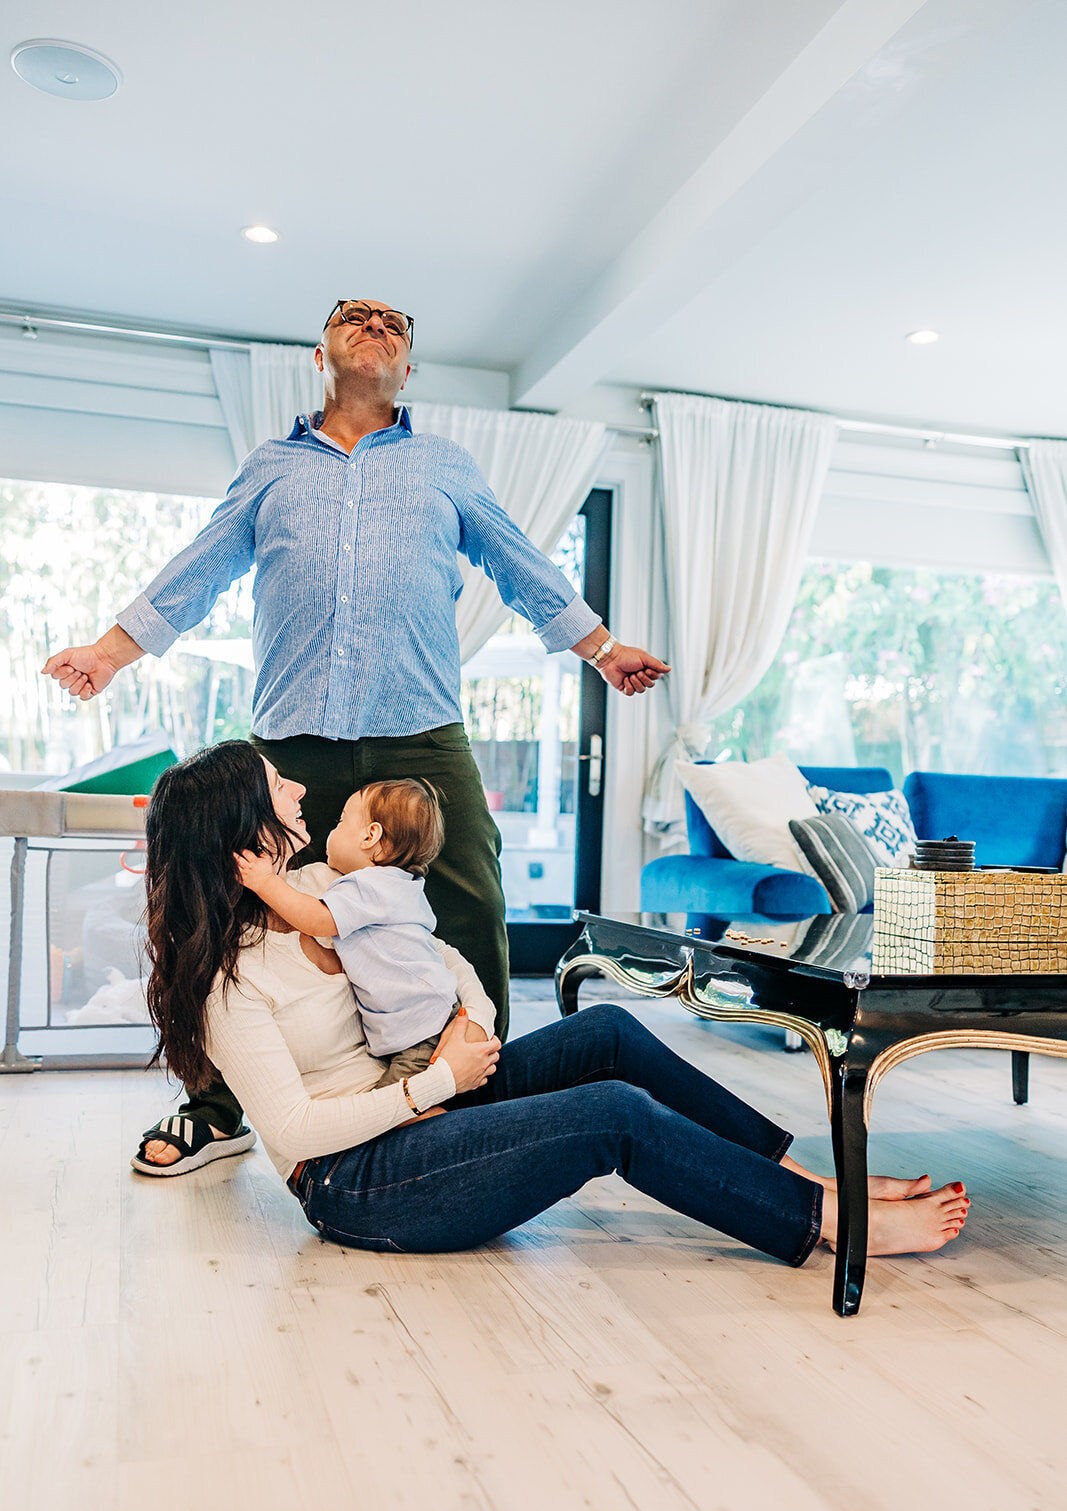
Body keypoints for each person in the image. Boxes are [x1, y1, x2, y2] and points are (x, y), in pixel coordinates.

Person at [42, 296, 670, 1174]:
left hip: (422, 735)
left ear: (407, 367)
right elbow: (202, 567)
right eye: (353, 316)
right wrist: (112, 653)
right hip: (293, 742)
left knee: (470, 909)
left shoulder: (442, 464)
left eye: (395, 324)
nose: (375, 324)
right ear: (319, 354)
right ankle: (219, 1109)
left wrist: (598, 649)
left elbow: (521, 561)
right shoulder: (272, 466)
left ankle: (477, 1088)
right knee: (234, 918)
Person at [138, 740, 971, 1271]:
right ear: (245, 834)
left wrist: (472, 1022)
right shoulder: (229, 981)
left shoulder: (323, 885)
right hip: (358, 1180)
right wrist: (432, 1088)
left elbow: (444, 957)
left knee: (604, 1029)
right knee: (609, 1115)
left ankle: (791, 1172)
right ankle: (824, 1220)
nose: (297, 790)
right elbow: (292, 1133)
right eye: (276, 785)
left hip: (422, 1096)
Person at [236, 777, 466, 1087]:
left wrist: (264, 882)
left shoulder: (370, 886)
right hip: (427, 1017)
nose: (332, 831)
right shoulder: (398, 884)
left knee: (396, 1107)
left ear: (371, 836)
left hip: (421, 1029)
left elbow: (317, 919)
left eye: (340, 821)